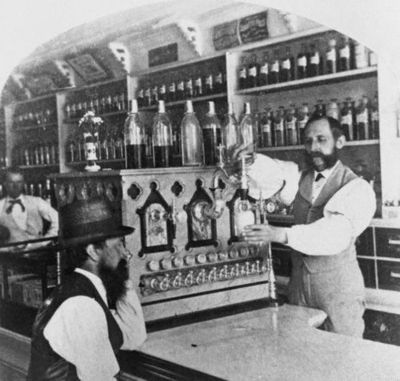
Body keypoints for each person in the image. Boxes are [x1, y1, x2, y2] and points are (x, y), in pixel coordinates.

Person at [241, 115, 376, 338]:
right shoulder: (300, 177)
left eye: (321, 140)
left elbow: (335, 233)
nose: (314, 148)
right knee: (301, 352)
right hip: (299, 286)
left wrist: (280, 234)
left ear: (339, 142)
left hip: (338, 291)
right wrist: (249, 161)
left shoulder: (357, 188)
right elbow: (274, 173)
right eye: (308, 141)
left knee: (344, 359)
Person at [27, 198, 147, 381]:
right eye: (119, 244)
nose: (125, 253)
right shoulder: (81, 305)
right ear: (93, 251)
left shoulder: (85, 289)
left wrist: (123, 280)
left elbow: (133, 336)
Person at [0, 167, 58, 249]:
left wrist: (43, 242)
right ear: (5, 184)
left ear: (24, 183)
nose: (15, 186)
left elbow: (59, 219)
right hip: (10, 257)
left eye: (19, 182)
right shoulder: (0, 205)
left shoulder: (37, 202)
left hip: (37, 254)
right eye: (11, 182)